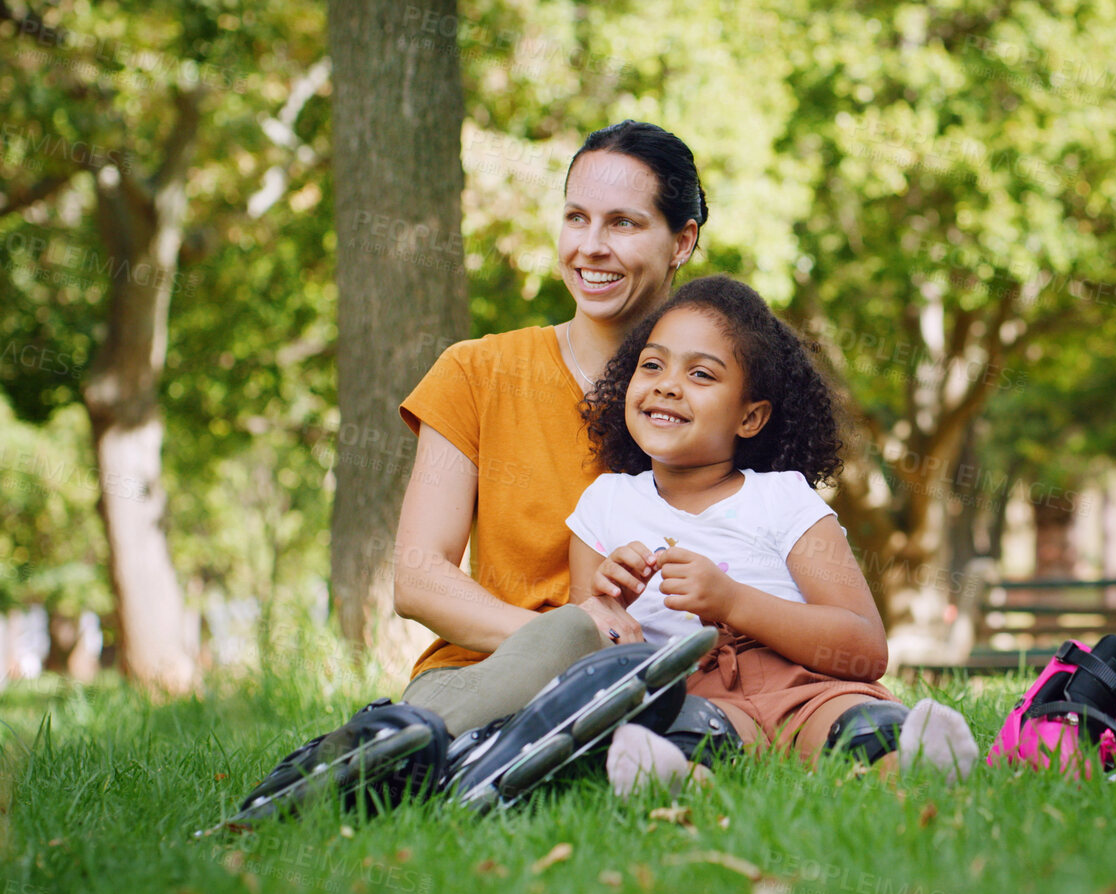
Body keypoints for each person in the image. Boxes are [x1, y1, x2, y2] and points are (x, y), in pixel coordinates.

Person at [225, 121, 716, 823]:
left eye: (623, 223)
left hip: (653, 681)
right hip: (481, 672)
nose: (590, 245)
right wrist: (562, 637)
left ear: (682, 240)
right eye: (575, 217)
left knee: (682, 718)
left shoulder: (718, 390)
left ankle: (465, 762)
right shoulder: (476, 371)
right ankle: (411, 749)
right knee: (577, 647)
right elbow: (418, 575)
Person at [564, 274, 979, 795]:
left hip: (809, 686)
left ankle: (915, 761)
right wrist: (614, 612)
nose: (667, 384)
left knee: (858, 725)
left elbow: (866, 647)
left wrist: (731, 600)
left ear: (751, 417)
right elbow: (590, 666)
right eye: (652, 364)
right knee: (682, 735)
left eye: (700, 374)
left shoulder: (783, 498)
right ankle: (675, 779)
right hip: (691, 696)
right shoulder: (603, 506)